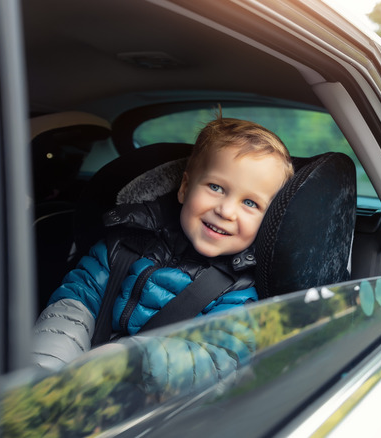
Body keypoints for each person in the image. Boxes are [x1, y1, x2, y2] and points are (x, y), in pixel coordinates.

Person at [31, 116, 294, 374]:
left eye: (250, 203)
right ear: (185, 187)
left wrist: (131, 361)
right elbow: (73, 305)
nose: (226, 211)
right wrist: (48, 368)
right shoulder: (122, 245)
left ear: (268, 221)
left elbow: (215, 359)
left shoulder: (241, 295)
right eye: (216, 187)